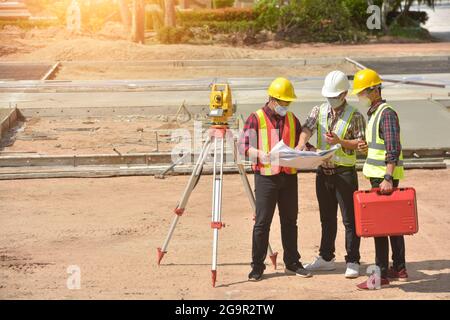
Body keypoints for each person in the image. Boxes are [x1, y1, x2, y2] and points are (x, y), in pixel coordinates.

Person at [239, 77, 312, 281]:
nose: (285, 106)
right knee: (262, 223)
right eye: (283, 102)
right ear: (272, 98)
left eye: (288, 102)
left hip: (288, 177)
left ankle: (292, 262)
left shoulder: (291, 118)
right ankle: (257, 266)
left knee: (290, 221)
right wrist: (259, 154)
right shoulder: (256, 117)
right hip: (266, 178)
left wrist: (307, 150)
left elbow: (300, 140)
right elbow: (243, 146)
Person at [298, 70, 366, 279]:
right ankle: (326, 258)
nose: (331, 99)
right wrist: (301, 143)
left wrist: (340, 142)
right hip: (323, 172)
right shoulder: (319, 110)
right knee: (326, 218)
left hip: (344, 173)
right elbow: (307, 128)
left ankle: (353, 259)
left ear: (344, 94)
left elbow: (362, 144)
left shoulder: (354, 115)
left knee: (349, 219)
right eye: (328, 95)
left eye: (334, 96)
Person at [352, 68, 408, 290]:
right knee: (392, 224)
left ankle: (381, 274)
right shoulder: (375, 113)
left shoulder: (386, 113)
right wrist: (366, 147)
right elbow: (380, 146)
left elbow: (393, 147)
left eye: (363, 92)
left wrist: (387, 177)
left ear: (374, 90)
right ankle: (400, 268)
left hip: (383, 179)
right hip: (380, 175)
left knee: (380, 227)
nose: (361, 96)